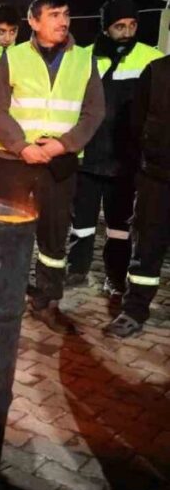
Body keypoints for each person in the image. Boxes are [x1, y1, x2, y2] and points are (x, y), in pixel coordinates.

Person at [0, 0, 104, 335]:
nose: (63, 21)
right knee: (8, 231)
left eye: (66, 14)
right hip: (14, 161)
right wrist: (21, 147)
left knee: (53, 236)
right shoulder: (14, 56)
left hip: (60, 163)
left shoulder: (84, 59)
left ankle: (48, 301)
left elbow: (94, 112)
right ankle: (6, 296)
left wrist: (63, 145)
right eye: (54, 15)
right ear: (34, 21)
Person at [66, 0, 163, 299]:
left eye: (132, 25)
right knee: (80, 224)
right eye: (119, 26)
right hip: (87, 156)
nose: (127, 31)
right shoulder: (84, 58)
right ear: (106, 29)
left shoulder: (151, 58)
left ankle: (115, 278)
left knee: (120, 228)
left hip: (125, 160)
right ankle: (76, 271)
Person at [106, 49, 170, 337]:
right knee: (146, 248)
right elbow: (136, 123)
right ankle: (134, 311)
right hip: (156, 177)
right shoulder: (156, 71)